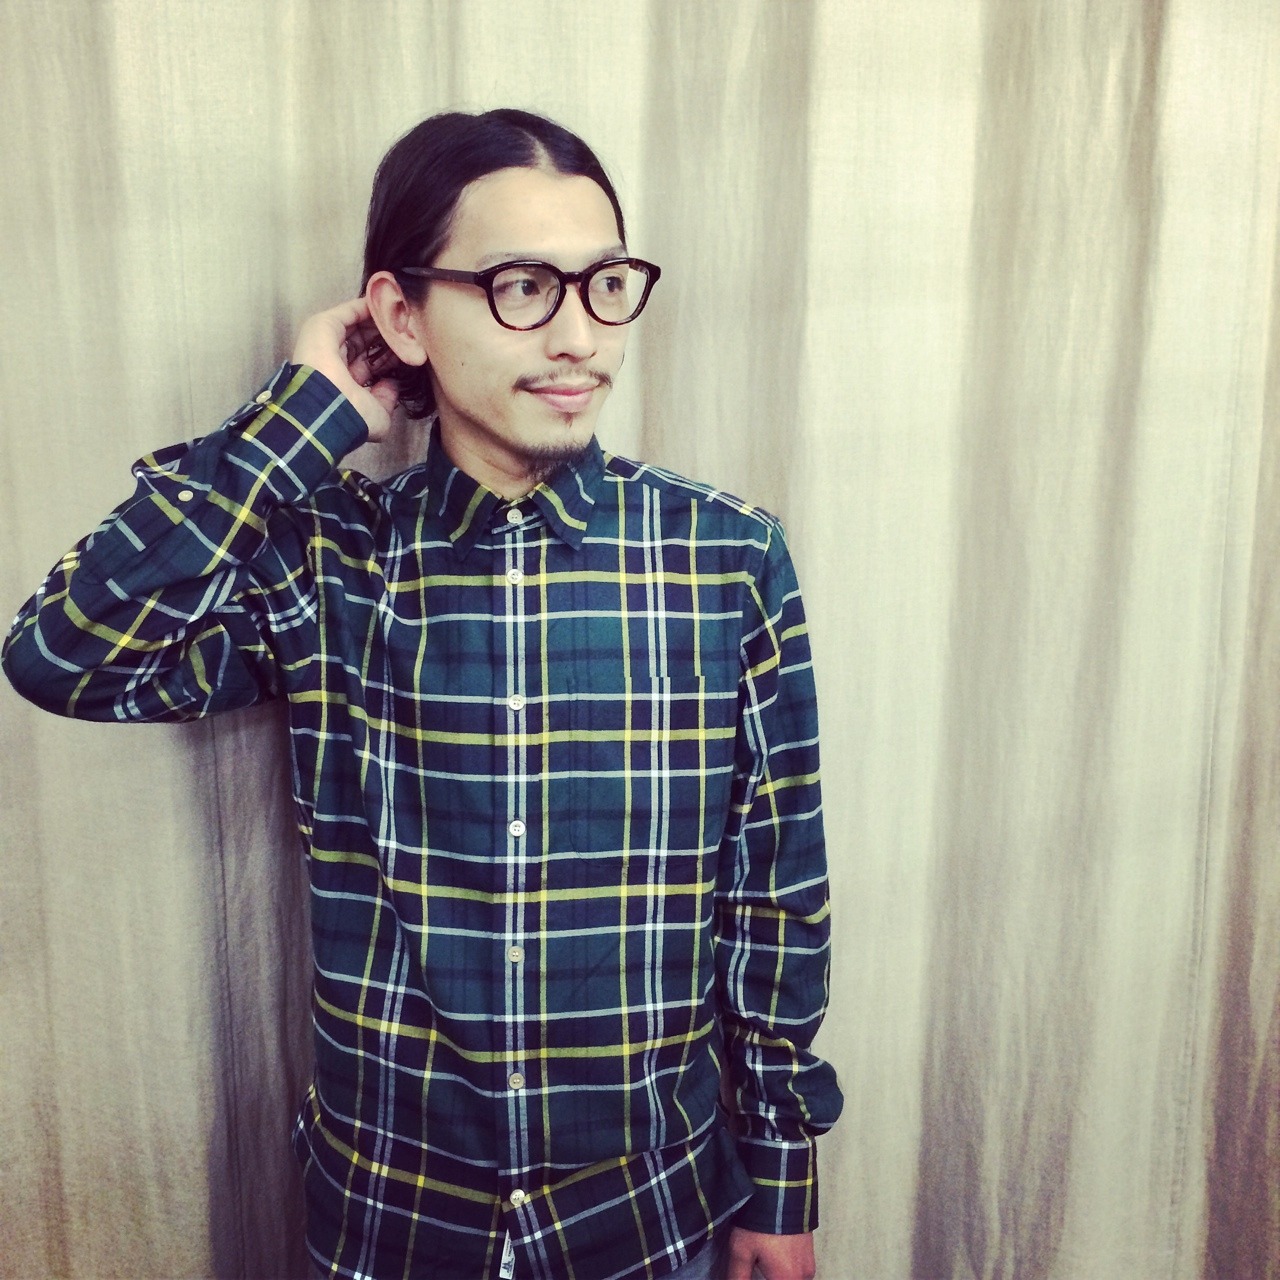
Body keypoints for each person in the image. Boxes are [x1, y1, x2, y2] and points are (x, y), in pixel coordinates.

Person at [4, 108, 841, 1280]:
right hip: (393, 1220)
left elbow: (773, 889)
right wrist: (299, 420)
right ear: (403, 316)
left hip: (650, 1217)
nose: (577, 338)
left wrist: (781, 1174)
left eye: (604, 285)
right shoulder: (322, 558)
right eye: (519, 287)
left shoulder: (724, 555)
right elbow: (68, 652)